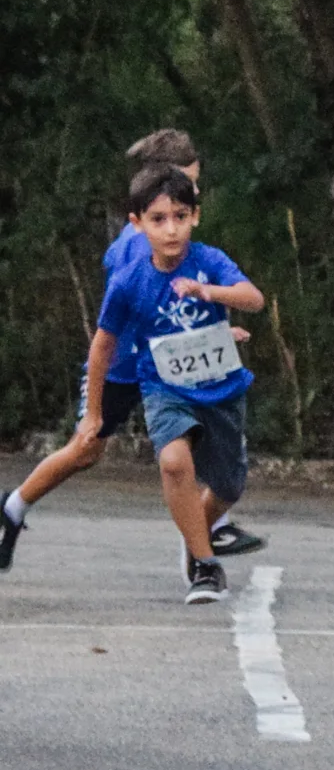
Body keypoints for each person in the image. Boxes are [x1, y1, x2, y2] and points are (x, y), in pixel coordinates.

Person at [2, 131, 263, 570]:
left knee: (192, 434)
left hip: (163, 363)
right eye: (190, 180)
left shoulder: (177, 236)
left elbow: (177, 304)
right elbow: (133, 310)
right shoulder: (134, 245)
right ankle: (12, 509)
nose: (196, 191)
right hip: (125, 366)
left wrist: (211, 332)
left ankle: (208, 532)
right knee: (85, 449)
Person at [87, 165, 266, 604]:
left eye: (180, 217)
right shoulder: (129, 281)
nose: (171, 230)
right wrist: (93, 412)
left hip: (220, 388)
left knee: (228, 487)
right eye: (158, 219)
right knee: (173, 461)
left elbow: (254, 299)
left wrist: (210, 294)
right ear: (137, 224)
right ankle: (206, 567)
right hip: (164, 387)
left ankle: (195, 537)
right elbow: (102, 347)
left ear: (195, 217)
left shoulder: (209, 261)